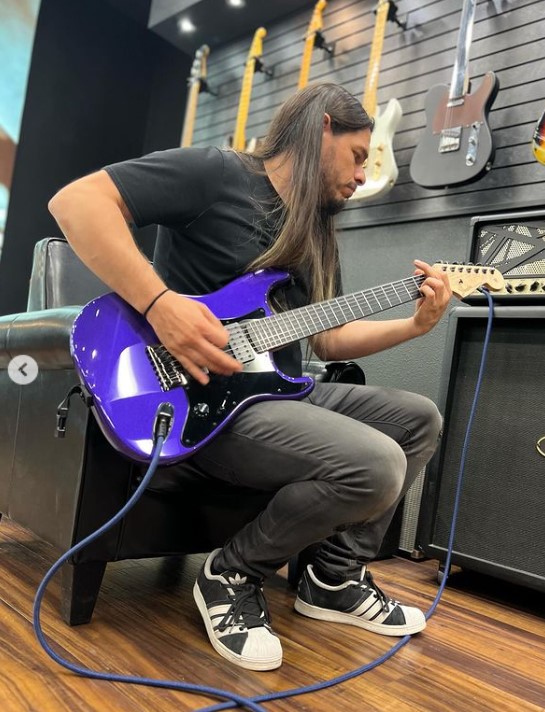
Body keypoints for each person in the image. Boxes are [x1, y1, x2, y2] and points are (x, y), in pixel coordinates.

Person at [48, 83, 451, 672]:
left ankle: (333, 578)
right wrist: (160, 304)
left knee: (418, 419)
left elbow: (329, 338)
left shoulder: (315, 229)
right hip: (203, 402)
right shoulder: (217, 174)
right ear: (323, 127)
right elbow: (76, 203)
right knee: (376, 463)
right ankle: (232, 573)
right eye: (358, 156)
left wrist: (415, 325)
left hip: (277, 391)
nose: (362, 176)